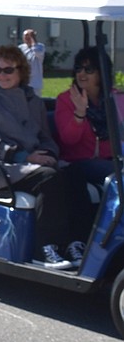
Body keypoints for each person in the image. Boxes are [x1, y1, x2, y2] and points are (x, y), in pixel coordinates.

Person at [0, 45, 83, 269]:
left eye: (8, 70)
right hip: (2, 167)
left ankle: (76, 242)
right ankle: (45, 247)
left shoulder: (33, 101)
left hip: (32, 163)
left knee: (76, 174)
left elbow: (45, 136)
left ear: (21, 71)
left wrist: (50, 153)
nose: (2, 75)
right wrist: (25, 156)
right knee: (50, 179)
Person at [54, 47, 124, 247]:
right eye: (78, 69)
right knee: (117, 176)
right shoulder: (66, 100)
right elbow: (68, 140)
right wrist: (79, 113)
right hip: (78, 162)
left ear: (101, 73)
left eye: (89, 69)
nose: (82, 74)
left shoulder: (113, 99)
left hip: (111, 159)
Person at [19, 28, 45, 94]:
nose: (26, 38)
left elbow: (38, 53)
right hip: (23, 81)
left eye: (29, 36)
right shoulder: (20, 48)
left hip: (35, 83)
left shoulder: (40, 47)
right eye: (25, 36)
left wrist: (33, 41)